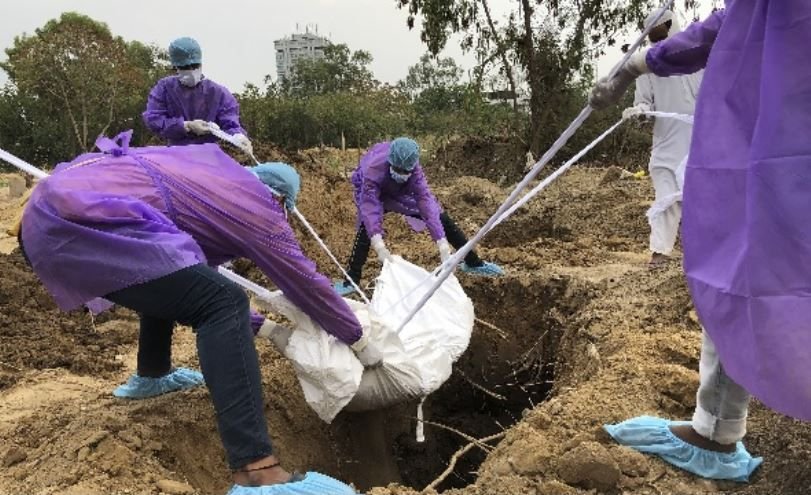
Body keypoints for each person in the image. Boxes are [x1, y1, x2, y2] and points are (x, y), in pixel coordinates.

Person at [18, 131, 379, 493]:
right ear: (281, 200)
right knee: (226, 302)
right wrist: (358, 338)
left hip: (47, 218)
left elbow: (188, 280)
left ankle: (153, 374)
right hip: (77, 219)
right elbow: (303, 281)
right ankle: (257, 470)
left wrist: (269, 329)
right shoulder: (252, 202)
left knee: (168, 270)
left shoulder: (214, 188)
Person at [590, 0, 811, 482]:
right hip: (706, 153)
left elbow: (722, 31)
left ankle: (715, 428)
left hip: (771, 155)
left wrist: (632, 66)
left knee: (737, 269)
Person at [111, 162, 302, 400]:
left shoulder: (224, 198)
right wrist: (269, 329)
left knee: (167, 289)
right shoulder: (223, 209)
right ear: (278, 198)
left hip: (141, 249)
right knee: (216, 300)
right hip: (126, 251)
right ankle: (231, 398)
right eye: (283, 206)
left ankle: (153, 373)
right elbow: (208, 287)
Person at [333, 137, 504, 296]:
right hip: (374, 192)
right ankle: (351, 281)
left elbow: (426, 203)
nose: (401, 172)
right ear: (390, 162)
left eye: (404, 170)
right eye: (397, 169)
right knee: (366, 228)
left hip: (402, 193)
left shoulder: (415, 173)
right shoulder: (374, 168)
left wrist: (442, 244)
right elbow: (370, 206)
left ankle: (472, 261)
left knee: (441, 217)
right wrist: (379, 245)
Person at [623, 9, 702, 269]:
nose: (659, 39)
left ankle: (707, 255)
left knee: (705, 199)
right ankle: (660, 253)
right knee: (665, 197)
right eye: (653, 35)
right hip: (666, 143)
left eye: (662, 31)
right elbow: (643, 101)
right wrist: (640, 112)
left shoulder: (700, 55)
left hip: (701, 141)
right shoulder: (649, 64)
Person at [142, 37, 252, 155]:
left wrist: (238, 137)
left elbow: (230, 122)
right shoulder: (165, 88)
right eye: (185, 67)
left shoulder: (217, 93)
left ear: (201, 63)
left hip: (209, 158)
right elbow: (154, 119)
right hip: (176, 158)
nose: (191, 70)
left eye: (195, 66)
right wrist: (186, 126)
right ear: (176, 67)